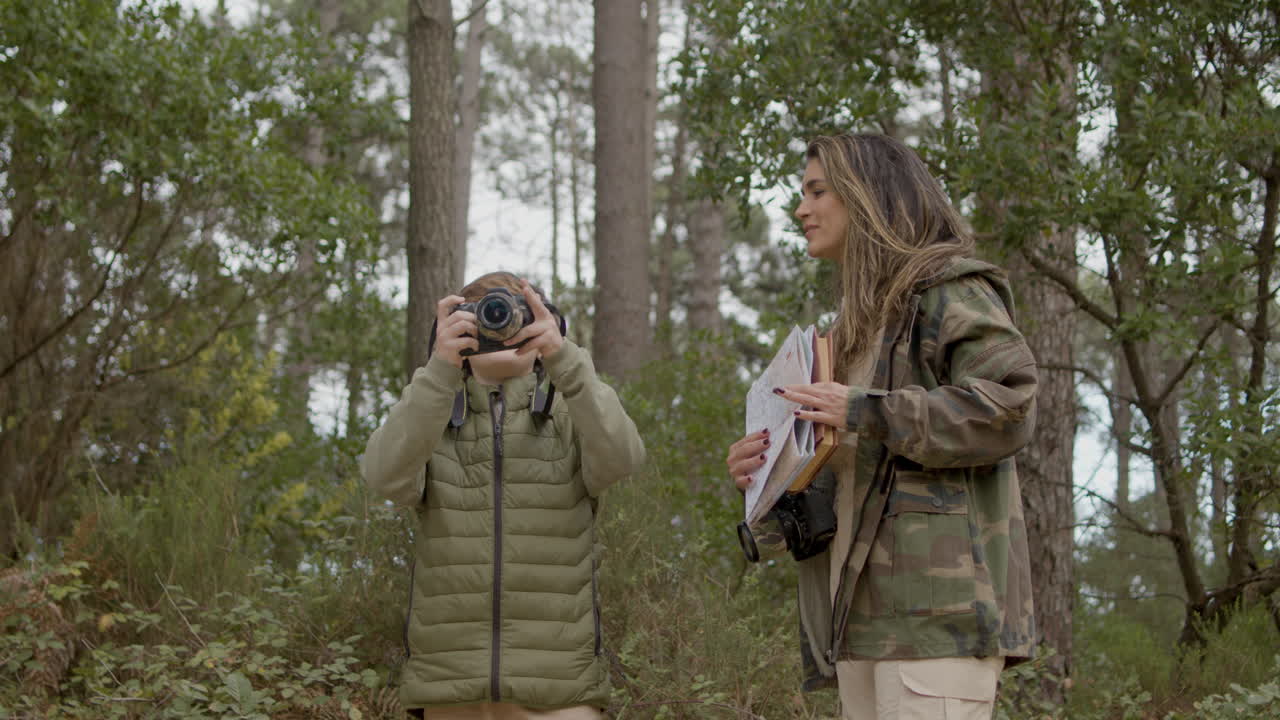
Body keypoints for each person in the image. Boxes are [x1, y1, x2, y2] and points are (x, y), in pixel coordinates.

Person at [724, 134, 1038, 720]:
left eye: (817, 191)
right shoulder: (849, 333)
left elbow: (1008, 407)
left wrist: (865, 410)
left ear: (867, 196)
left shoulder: (949, 288)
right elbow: (850, 486)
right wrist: (766, 476)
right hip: (858, 626)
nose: (801, 209)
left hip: (934, 623)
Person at [362, 271, 645, 719]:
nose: (498, 324)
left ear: (541, 322)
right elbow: (384, 476)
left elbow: (623, 457)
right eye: (481, 317)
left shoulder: (570, 414)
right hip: (449, 687)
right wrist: (439, 369)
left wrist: (563, 357)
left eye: (513, 314)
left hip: (559, 692)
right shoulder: (432, 416)